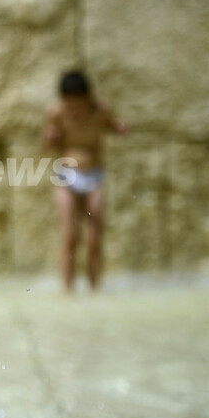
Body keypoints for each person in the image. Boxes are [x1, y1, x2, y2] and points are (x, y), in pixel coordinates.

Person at [42, 69, 127, 293]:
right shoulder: (56, 113)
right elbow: (44, 146)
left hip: (94, 176)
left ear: (88, 98)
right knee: (70, 235)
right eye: (69, 106)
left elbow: (114, 126)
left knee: (93, 237)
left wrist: (120, 128)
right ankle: (67, 291)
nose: (74, 111)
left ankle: (94, 289)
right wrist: (49, 139)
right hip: (66, 177)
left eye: (78, 105)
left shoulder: (101, 110)